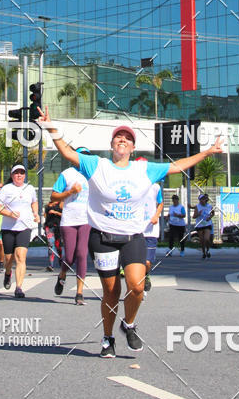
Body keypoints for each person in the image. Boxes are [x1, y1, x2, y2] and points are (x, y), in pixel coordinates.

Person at [40, 107, 223, 357]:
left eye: (128, 138)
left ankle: (129, 324)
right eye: (118, 137)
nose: (123, 140)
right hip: (103, 237)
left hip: (133, 237)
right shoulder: (97, 165)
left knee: (136, 286)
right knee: (111, 292)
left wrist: (208, 152)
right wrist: (50, 127)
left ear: (133, 147)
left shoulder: (144, 169)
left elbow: (178, 165)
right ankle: (108, 338)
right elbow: (67, 152)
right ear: (112, 144)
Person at [50, 147, 91, 305]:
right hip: (69, 220)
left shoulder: (92, 174)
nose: (83, 160)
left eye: (86, 157)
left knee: (82, 254)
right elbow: (54, 196)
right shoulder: (67, 174)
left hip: (86, 220)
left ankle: (79, 293)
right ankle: (62, 274)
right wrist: (70, 192)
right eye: (81, 156)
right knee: (69, 257)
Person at [0, 165, 39, 298]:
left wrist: (35, 213)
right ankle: (8, 273)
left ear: (25, 175)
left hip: (24, 227)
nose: (19, 175)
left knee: (20, 256)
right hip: (8, 228)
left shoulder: (29, 188)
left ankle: (19, 287)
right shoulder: (6, 189)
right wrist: (9, 214)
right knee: (9, 258)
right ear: (12, 175)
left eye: (22, 173)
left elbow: (34, 202)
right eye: (16, 173)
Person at [136, 159, 163, 293]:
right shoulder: (132, 185)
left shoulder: (155, 187)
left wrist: (156, 216)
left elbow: (160, 203)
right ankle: (137, 286)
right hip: (135, 229)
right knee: (136, 262)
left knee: (147, 262)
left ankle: (146, 276)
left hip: (150, 230)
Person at [43, 197, 63, 273]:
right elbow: (45, 215)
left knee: (58, 245)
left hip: (58, 226)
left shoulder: (61, 204)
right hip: (49, 226)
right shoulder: (48, 205)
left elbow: (65, 215)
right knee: (50, 245)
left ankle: (61, 261)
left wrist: (55, 212)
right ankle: (51, 265)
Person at [193, 193, 214, 259]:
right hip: (200, 224)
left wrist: (209, 217)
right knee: (202, 240)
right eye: (201, 199)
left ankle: (208, 250)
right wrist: (198, 214)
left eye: (203, 199)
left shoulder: (209, 206)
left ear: (205, 199)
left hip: (207, 224)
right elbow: (194, 216)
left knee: (206, 239)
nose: (202, 200)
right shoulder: (197, 207)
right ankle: (203, 252)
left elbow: (213, 213)